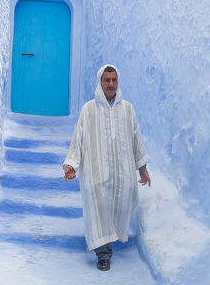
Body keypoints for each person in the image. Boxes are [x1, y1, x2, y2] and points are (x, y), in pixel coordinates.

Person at [63, 64, 150, 270]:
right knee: (99, 207)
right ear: (100, 82)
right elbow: (79, 138)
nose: (110, 84)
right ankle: (103, 255)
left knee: (124, 200)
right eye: (106, 80)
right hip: (97, 172)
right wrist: (72, 165)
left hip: (123, 172)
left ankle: (113, 238)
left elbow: (137, 139)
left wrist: (142, 169)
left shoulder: (127, 109)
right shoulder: (89, 109)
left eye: (114, 80)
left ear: (117, 82)